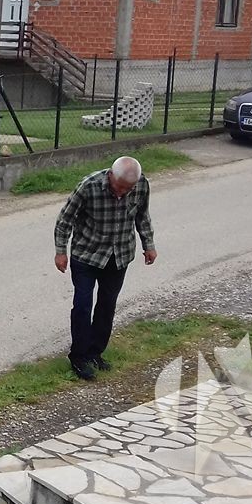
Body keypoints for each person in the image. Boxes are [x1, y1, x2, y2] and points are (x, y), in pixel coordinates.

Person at [54, 156, 158, 382]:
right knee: (83, 306)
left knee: (107, 305)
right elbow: (64, 220)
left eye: (127, 189)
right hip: (87, 254)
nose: (122, 193)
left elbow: (142, 216)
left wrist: (148, 245)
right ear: (110, 175)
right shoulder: (88, 186)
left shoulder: (141, 184)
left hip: (119, 256)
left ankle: (95, 353)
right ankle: (78, 357)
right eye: (119, 187)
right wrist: (61, 251)